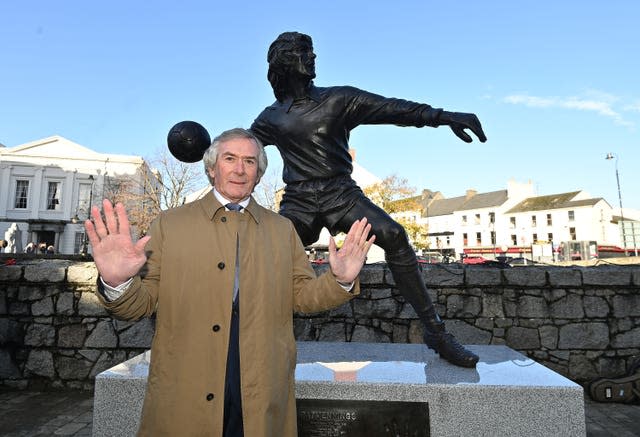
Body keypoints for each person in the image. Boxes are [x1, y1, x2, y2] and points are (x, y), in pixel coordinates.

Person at [86, 128, 375, 437]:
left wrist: (340, 280)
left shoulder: (282, 229)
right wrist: (116, 282)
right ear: (212, 168)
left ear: (259, 174)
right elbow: (140, 304)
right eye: (230, 158)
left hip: (261, 383)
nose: (240, 169)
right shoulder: (170, 224)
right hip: (186, 383)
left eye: (250, 161)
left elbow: (302, 295)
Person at [250, 32, 487, 368]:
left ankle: (435, 332)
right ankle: (245, 336)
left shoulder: (338, 99)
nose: (313, 57)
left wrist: (443, 116)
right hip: (299, 201)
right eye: (305, 52)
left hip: (341, 194)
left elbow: (392, 109)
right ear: (285, 61)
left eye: (312, 50)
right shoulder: (270, 118)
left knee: (394, 234)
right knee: (261, 251)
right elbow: (240, 149)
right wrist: (206, 150)